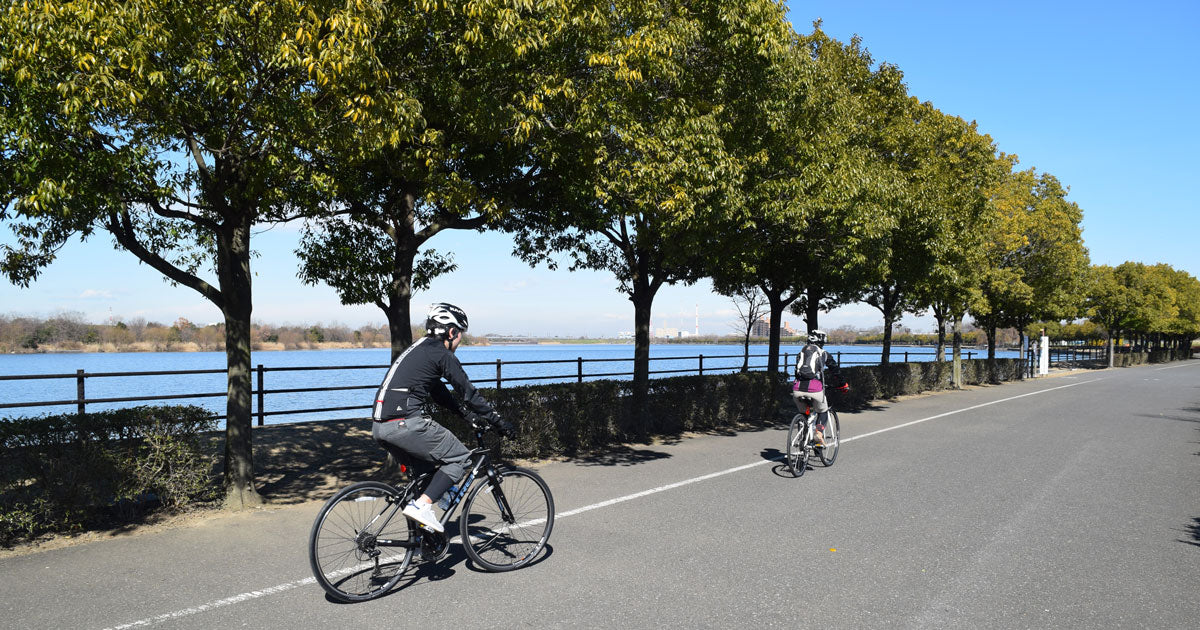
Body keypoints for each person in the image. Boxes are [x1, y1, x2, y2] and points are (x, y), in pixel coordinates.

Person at [371, 303, 513, 533]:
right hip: (405, 424)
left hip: (380, 428)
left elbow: (438, 391)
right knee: (460, 458)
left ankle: (419, 540)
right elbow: (468, 392)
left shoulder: (418, 348)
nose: (459, 342)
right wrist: (500, 422)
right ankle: (424, 507)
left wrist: (465, 415)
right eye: (460, 336)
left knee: (425, 475)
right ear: (452, 332)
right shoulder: (442, 354)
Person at [792, 329, 848, 448]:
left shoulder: (801, 352)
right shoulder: (823, 353)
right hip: (815, 389)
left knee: (804, 414)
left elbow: (797, 372)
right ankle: (818, 434)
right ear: (822, 342)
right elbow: (835, 370)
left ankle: (803, 438)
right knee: (823, 411)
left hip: (797, 389)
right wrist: (843, 384)